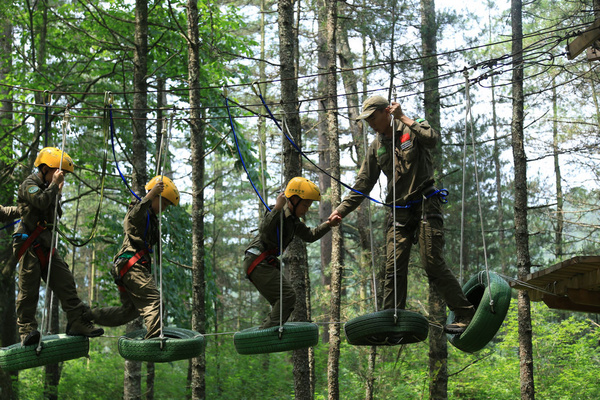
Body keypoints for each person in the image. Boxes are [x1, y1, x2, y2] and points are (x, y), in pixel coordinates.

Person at [328, 95, 474, 334]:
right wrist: (340, 211)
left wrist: (403, 117)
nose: (370, 124)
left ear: (386, 111)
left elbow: (432, 139)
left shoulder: (411, 125)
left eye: (372, 118)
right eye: (366, 121)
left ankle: (465, 313)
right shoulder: (376, 146)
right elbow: (363, 183)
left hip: (426, 203)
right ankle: (392, 320)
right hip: (398, 211)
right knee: (393, 267)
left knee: (432, 263)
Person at [13, 147, 104, 346]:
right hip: (30, 244)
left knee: (66, 283)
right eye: (56, 172)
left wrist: (56, 190)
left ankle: (76, 322)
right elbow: (40, 201)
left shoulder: (48, 186)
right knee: (28, 291)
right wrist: (54, 186)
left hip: (47, 244)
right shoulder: (29, 184)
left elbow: (55, 213)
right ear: (45, 168)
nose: (60, 177)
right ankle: (27, 331)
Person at [85, 175, 180, 339]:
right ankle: (155, 338)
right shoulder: (139, 209)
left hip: (128, 266)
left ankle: (85, 315)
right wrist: (149, 196)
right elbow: (132, 218)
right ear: (155, 195)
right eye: (163, 203)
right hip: (132, 265)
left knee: (129, 311)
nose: (164, 208)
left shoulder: (151, 218)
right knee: (153, 301)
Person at [244, 177, 341, 329]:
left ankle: (269, 330)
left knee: (282, 300)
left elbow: (310, 235)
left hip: (261, 262)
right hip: (257, 260)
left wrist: (329, 224)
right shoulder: (276, 212)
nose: (306, 209)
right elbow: (264, 230)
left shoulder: (294, 222)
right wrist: (277, 208)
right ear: (294, 200)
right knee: (287, 296)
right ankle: (266, 333)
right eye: (304, 205)